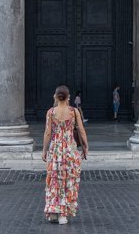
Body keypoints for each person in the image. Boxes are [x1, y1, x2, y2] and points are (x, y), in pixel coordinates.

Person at [42, 84, 87, 225]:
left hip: (56, 150)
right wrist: (85, 146)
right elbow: (81, 130)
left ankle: (55, 213)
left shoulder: (50, 112)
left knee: (55, 181)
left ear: (55, 96)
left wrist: (44, 150)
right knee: (69, 181)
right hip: (70, 150)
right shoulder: (74, 111)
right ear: (68, 97)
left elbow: (48, 132)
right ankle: (63, 215)